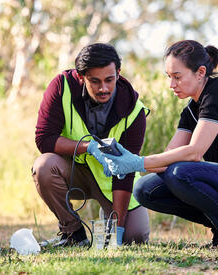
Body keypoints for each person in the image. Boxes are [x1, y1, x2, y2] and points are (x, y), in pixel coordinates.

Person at [99, 40, 218, 247]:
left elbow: (194, 152)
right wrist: (126, 161)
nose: (171, 85)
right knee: (144, 189)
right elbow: (168, 159)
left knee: (180, 173)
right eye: (169, 77)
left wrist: (138, 162)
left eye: (177, 77)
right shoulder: (191, 110)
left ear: (200, 72)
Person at [32, 43, 150, 247]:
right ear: (81, 76)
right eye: (95, 81)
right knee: (43, 166)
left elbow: (127, 171)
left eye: (109, 80)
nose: (103, 88)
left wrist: (117, 230)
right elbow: (44, 138)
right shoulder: (61, 87)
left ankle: (109, 222)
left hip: (112, 180)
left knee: (135, 238)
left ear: (118, 73)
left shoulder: (134, 110)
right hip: (73, 172)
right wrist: (89, 147)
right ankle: (73, 233)